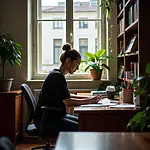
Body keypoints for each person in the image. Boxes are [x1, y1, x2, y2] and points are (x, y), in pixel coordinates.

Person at [34, 43, 100, 133]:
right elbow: (68, 102)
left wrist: (90, 98)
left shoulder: (57, 74)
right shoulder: (57, 77)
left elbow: (67, 96)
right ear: (68, 61)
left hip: (52, 117)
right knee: (83, 127)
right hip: (47, 120)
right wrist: (89, 101)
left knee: (84, 123)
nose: (77, 68)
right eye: (76, 64)